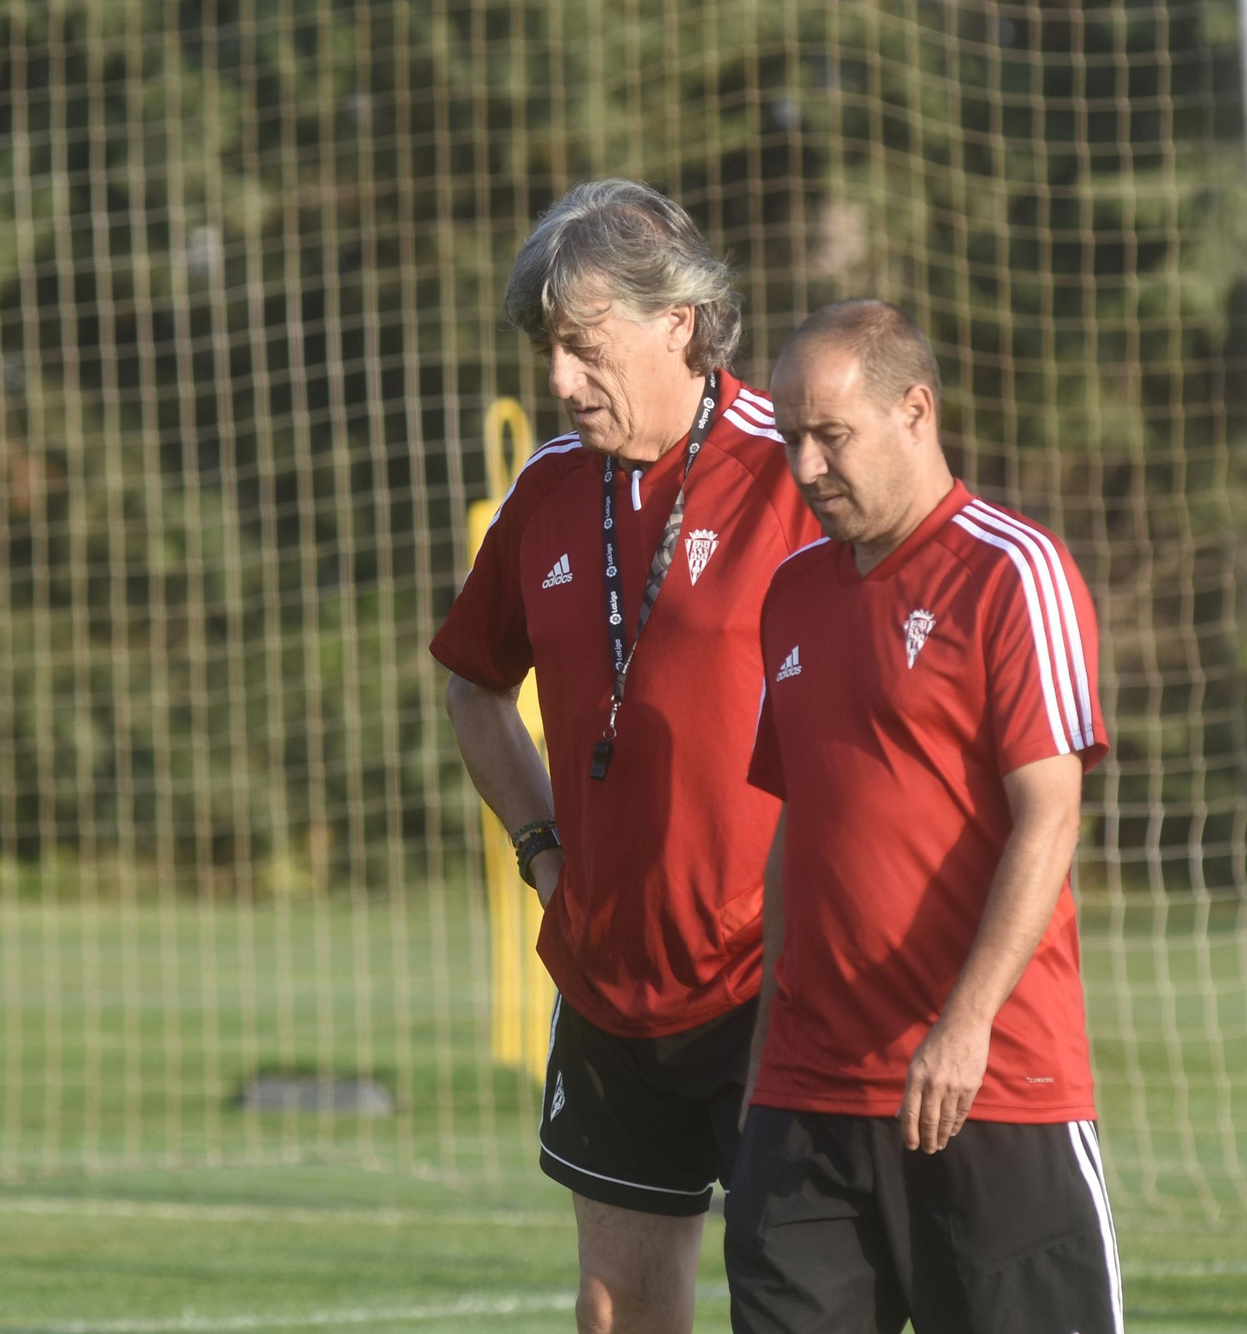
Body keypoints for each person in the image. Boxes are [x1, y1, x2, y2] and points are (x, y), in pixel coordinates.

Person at [430, 179, 820, 1334]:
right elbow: (473, 687)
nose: (557, 378)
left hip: (769, 982)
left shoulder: (794, 475)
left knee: (799, 1306)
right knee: (615, 1315)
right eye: (548, 349)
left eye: (580, 346)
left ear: (679, 325)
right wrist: (541, 848)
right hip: (606, 983)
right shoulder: (549, 490)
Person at [724, 299, 1122, 1334]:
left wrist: (965, 1024)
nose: (806, 468)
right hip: (805, 1098)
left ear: (915, 411)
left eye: (831, 436)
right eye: (790, 439)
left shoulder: (1009, 570)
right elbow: (797, 832)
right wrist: (766, 1037)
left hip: (986, 1089)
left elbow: (1050, 817)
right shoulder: (790, 593)